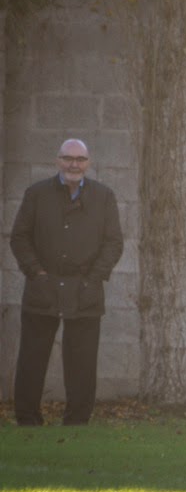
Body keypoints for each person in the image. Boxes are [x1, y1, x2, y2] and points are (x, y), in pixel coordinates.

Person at [10, 139, 124, 427]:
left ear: (89, 162)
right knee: (32, 358)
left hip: (85, 289)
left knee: (82, 362)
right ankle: (27, 419)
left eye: (80, 159)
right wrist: (37, 273)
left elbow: (113, 242)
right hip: (42, 287)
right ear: (57, 160)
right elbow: (19, 237)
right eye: (68, 158)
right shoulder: (36, 194)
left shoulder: (104, 196)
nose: (74, 164)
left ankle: (77, 422)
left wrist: (93, 278)